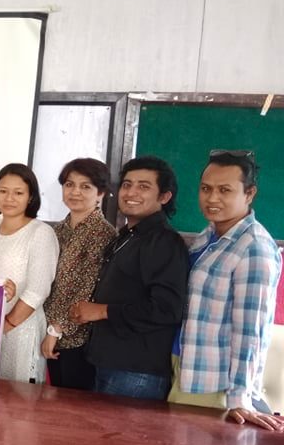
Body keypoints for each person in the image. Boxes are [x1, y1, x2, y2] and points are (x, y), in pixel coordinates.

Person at [170, 150, 283, 430]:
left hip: (214, 382)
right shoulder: (208, 235)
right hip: (184, 365)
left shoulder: (254, 247)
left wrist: (240, 398)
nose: (212, 198)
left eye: (225, 190)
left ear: (249, 193)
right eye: (206, 189)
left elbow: (251, 331)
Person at [71, 156, 189, 401]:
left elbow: (167, 309)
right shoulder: (128, 235)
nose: (131, 192)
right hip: (108, 362)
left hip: (136, 372)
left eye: (144, 187)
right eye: (127, 184)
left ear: (164, 197)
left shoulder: (164, 242)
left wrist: (102, 311)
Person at [0, 163, 59, 383]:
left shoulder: (41, 233)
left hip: (22, 329)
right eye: (3, 191)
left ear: (30, 197)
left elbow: (38, 291)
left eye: (18, 193)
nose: (9, 198)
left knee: (19, 397)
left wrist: (6, 325)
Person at [41, 159, 117, 390]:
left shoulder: (103, 234)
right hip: (47, 331)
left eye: (85, 186)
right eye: (69, 184)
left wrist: (57, 329)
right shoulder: (57, 230)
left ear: (100, 193)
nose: (75, 192)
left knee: (71, 404)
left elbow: (88, 287)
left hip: (78, 339)